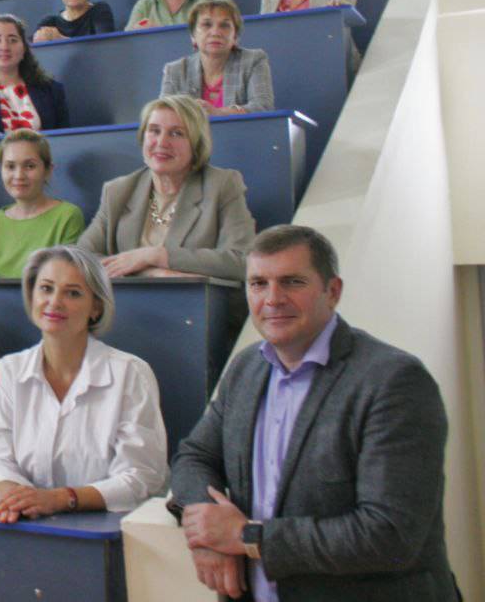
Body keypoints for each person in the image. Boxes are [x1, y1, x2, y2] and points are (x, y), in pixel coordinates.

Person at [173, 225, 457, 601]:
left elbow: (390, 535)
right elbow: (195, 456)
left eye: (292, 282)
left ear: (332, 291)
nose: (273, 299)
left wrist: (247, 537)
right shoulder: (246, 369)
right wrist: (209, 533)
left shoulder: (393, 381)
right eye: (258, 284)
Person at [0, 246, 168, 521]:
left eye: (73, 293)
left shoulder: (130, 373)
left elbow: (141, 476)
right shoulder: (9, 370)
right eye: (46, 288)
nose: (55, 302)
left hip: (109, 530)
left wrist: (59, 499)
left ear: (96, 307)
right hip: (23, 523)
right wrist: (18, 499)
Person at [77, 95, 255, 281]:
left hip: (194, 299)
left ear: (196, 143)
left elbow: (241, 261)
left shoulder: (222, 184)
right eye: (154, 131)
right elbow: (80, 259)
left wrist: (157, 256)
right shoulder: (118, 190)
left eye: (176, 133)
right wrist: (150, 273)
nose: (162, 142)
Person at [0, 129, 85, 277]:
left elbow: (66, 278)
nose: (19, 175)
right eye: (10, 166)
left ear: (47, 170)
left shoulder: (68, 215)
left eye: (30, 166)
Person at [160, 0, 274, 115]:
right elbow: (163, 115)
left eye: (224, 25)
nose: (215, 32)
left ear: (235, 37)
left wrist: (219, 113)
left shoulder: (253, 61)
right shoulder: (175, 70)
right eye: (206, 24)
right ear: (193, 36)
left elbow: (263, 107)